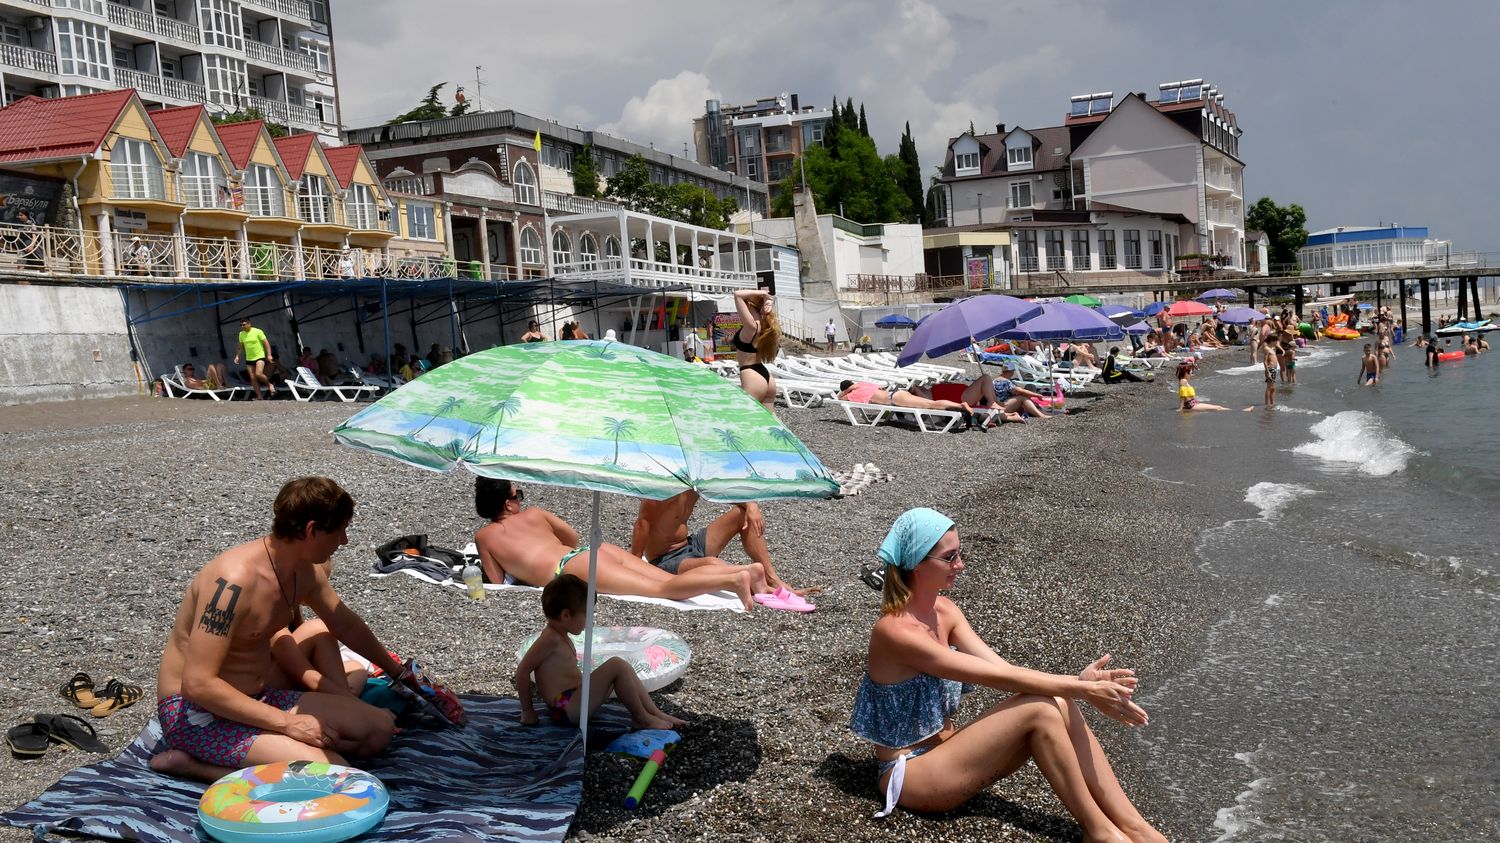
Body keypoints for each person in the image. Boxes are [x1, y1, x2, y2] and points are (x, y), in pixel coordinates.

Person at [850, 509, 1165, 840]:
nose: (960, 565)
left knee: (1056, 700)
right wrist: (1081, 689)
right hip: (910, 774)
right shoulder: (895, 632)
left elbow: (1003, 669)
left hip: (950, 754)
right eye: (950, 557)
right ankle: (1100, 832)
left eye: (960, 553)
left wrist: (1078, 685)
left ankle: (1135, 827)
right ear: (916, 563)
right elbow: (998, 680)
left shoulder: (946, 612)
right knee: (1041, 710)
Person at [150, 478, 408, 783]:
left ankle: (278, 754)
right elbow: (198, 685)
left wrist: (401, 673)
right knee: (333, 775)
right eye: (340, 531)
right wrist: (289, 724)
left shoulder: (304, 572)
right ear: (312, 530)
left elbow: (345, 624)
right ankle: (195, 767)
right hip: (196, 713)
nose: (344, 541)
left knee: (377, 731)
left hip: (257, 697)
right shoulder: (231, 583)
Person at [473, 478, 759, 611]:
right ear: (508, 504)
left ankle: (735, 579)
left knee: (664, 590)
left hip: (571, 570)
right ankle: (745, 572)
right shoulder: (535, 515)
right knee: (671, 579)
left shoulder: (485, 537)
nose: (522, 499)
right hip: (593, 552)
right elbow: (572, 538)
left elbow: (497, 583)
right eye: (518, 495)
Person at [515, 574, 687, 730]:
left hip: (573, 700)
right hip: (565, 707)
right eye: (586, 614)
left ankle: (655, 713)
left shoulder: (560, 635)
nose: (589, 620)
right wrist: (527, 710)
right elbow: (522, 671)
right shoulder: (549, 639)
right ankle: (641, 718)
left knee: (623, 668)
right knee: (617, 665)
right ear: (566, 615)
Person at [633, 490, 814, 601]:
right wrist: (633, 566)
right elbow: (642, 524)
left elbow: (729, 490)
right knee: (713, 564)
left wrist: (751, 506)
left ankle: (772, 578)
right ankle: (754, 581)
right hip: (666, 558)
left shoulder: (694, 481)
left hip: (690, 545)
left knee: (743, 514)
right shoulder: (664, 490)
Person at [838, 379, 982, 431]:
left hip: (895, 399)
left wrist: (847, 390)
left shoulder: (853, 394)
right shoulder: (864, 384)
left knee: (930, 404)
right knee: (929, 404)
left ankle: (960, 405)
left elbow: (840, 398)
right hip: (896, 394)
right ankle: (958, 406)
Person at [733, 289, 780, 412]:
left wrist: (764, 295)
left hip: (751, 375)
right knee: (772, 420)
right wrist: (767, 299)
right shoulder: (766, 325)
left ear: (748, 304)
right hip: (765, 375)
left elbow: (737, 294)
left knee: (748, 419)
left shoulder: (752, 327)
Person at [233, 318, 275, 399]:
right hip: (249, 358)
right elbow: (240, 346)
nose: (242, 326)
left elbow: (266, 343)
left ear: (249, 323)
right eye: (241, 325)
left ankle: (269, 384)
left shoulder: (258, 331)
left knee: (258, 373)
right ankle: (259, 396)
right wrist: (237, 356)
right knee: (252, 378)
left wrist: (269, 355)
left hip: (259, 356)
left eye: (244, 324)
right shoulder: (241, 334)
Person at [1262, 340, 1279, 406]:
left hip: (1274, 369)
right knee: (1269, 387)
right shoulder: (1267, 349)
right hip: (1270, 369)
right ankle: (1267, 404)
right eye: (1276, 341)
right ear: (1272, 341)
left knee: (1273, 388)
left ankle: (1272, 403)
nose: (1276, 343)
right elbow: (1265, 361)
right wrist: (1268, 372)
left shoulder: (1271, 349)